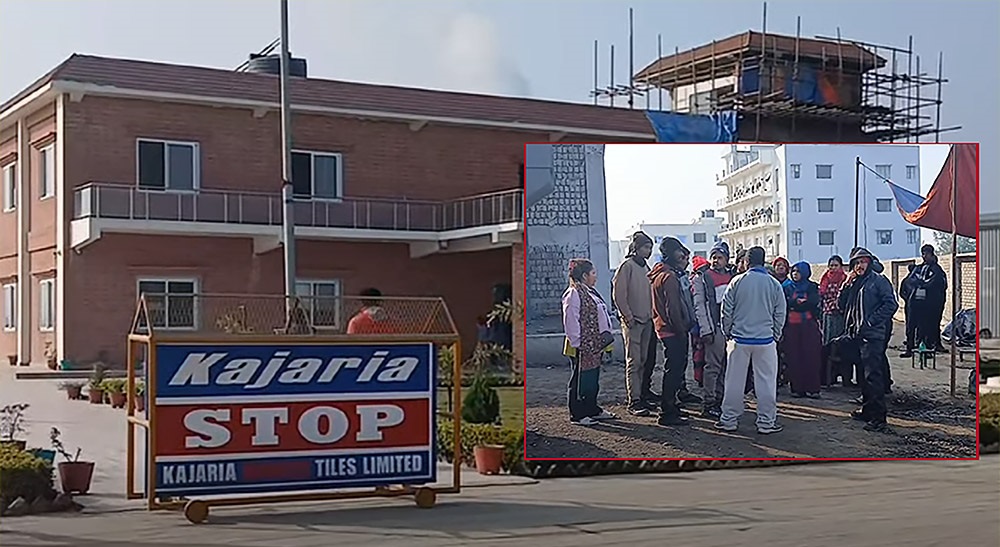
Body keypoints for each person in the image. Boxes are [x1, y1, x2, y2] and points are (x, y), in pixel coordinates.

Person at [716, 246, 787, 434]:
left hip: (739, 340)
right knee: (766, 384)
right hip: (765, 341)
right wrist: (775, 334)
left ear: (747, 262)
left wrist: (727, 332)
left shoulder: (737, 281)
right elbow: (780, 312)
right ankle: (766, 423)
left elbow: (726, 311)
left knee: (734, 382)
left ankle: (728, 420)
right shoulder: (774, 284)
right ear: (764, 261)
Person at [837, 247, 898, 433]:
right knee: (863, 375)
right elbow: (841, 305)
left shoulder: (878, 281)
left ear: (870, 263)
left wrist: (871, 322)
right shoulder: (855, 282)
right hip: (856, 334)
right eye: (856, 263)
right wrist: (845, 286)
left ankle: (879, 418)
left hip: (872, 335)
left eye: (863, 261)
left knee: (873, 376)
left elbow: (891, 304)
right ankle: (867, 410)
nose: (860, 266)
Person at [649, 237, 698, 427]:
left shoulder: (660, 273)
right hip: (673, 330)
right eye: (679, 251)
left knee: (673, 369)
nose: (682, 254)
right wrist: (681, 329)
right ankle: (667, 412)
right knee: (674, 371)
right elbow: (673, 309)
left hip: (664, 328)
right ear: (671, 253)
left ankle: (672, 407)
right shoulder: (669, 277)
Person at [562, 258, 617, 426]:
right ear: (584, 275)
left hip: (593, 344)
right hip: (581, 345)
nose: (595, 276)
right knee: (579, 379)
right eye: (593, 273)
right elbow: (571, 320)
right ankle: (577, 414)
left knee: (591, 379)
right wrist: (579, 343)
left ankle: (592, 409)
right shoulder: (573, 294)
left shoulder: (590, 292)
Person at [612, 231, 659, 417]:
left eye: (650, 248)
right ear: (636, 248)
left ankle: (642, 395)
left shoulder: (645, 267)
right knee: (634, 361)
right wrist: (628, 316)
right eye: (645, 247)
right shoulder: (627, 266)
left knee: (644, 361)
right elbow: (619, 294)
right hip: (633, 322)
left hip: (647, 321)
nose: (648, 251)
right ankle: (634, 400)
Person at [692, 241, 734, 418]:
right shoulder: (703, 277)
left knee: (726, 366)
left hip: (730, 330)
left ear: (727, 259)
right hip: (714, 328)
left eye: (720, 257)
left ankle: (720, 398)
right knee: (712, 367)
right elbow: (700, 305)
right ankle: (709, 402)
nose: (716, 261)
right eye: (714, 257)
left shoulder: (733, 277)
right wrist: (706, 330)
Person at [783, 262, 823, 398]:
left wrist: (796, 305)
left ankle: (812, 388)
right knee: (794, 356)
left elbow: (812, 303)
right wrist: (797, 303)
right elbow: (785, 303)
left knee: (811, 356)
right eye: (793, 271)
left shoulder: (812, 287)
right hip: (791, 326)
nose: (795, 274)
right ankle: (797, 388)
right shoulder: (787, 287)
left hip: (808, 326)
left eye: (798, 271)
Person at [910, 245, 948, 353]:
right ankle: (922, 343)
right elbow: (911, 280)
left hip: (935, 302)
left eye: (926, 254)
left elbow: (937, 283)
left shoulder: (936, 269)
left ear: (931, 254)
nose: (924, 256)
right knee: (922, 324)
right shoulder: (920, 268)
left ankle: (935, 344)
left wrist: (923, 284)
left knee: (934, 323)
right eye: (922, 254)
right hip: (921, 302)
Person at [819, 255, 850, 387]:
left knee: (841, 347)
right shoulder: (825, 278)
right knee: (828, 346)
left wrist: (837, 305)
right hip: (827, 316)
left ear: (841, 266)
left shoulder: (845, 279)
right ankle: (829, 377)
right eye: (831, 265)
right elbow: (821, 296)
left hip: (840, 316)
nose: (833, 268)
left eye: (836, 265)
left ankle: (845, 378)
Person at [690, 255, 711, 391]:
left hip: (703, 324)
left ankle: (701, 378)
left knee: (704, 354)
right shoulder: (695, 281)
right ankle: (699, 378)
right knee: (699, 355)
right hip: (696, 326)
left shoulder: (706, 280)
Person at [898, 264, 919, 358]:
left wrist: (907, 299)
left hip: (910, 306)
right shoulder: (917, 281)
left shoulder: (907, 280)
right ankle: (914, 347)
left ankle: (910, 348)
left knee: (910, 328)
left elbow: (901, 293)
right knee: (916, 328)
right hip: (916, 306)